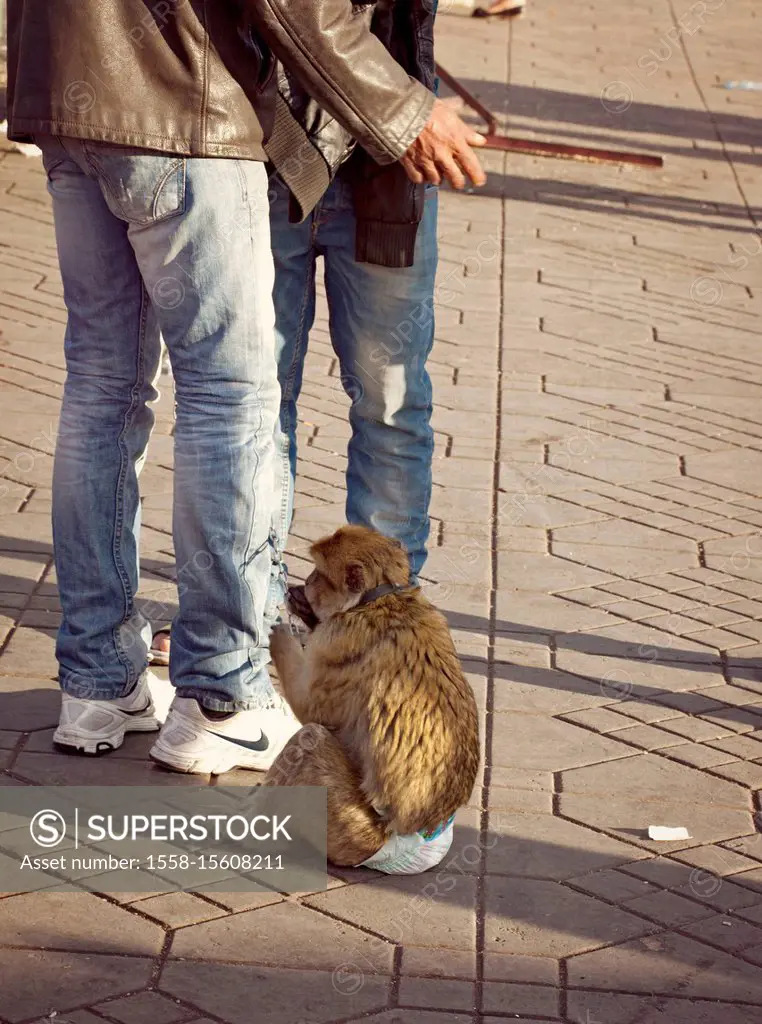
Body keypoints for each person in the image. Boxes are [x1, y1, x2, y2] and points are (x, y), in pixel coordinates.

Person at [5, 0, 485, 774]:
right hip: (177, 97)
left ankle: (97, 682)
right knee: (230, 400)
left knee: (101, 388)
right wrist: (404, 110)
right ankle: (221, 694)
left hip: (61, 88)